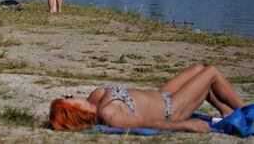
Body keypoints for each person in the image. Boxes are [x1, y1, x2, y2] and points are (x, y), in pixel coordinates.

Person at [50, 63, 246, 132]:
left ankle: (226, 111)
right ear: (76, 111)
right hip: (172, 109)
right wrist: (185, 125)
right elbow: (146, 123)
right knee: (211, 72)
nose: (72, 94)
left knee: (198, 68)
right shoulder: (109, 115)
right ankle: (248, 111)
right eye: (68, 97)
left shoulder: (94, 98)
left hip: (162, 95)